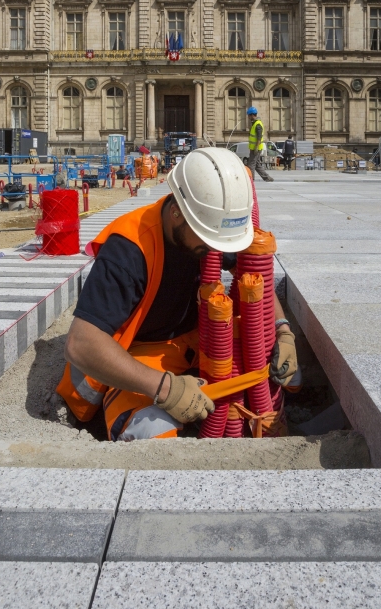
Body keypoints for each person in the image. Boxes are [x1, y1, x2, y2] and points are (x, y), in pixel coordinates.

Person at [57, 147, 297, 441]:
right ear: (176, 214)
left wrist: (282, 329)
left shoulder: (206, 227)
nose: (218, 251)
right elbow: (81, 344)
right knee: (152, 432)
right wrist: (165, 388)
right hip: (142, 356)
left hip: (202, 346)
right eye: (210, 241)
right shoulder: (129, 251)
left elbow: (252, 278)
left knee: (288, 377)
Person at [246, 107, 273, 182]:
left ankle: (251, 180)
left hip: (256, 148)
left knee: (251, 164)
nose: (248, 117)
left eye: (248, 115)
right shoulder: (255, 123)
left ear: (252, 115)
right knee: (257, 164)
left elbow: (259, 137)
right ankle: (267, 178)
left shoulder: (258, 124)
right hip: (254, 147)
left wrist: (256, 147)